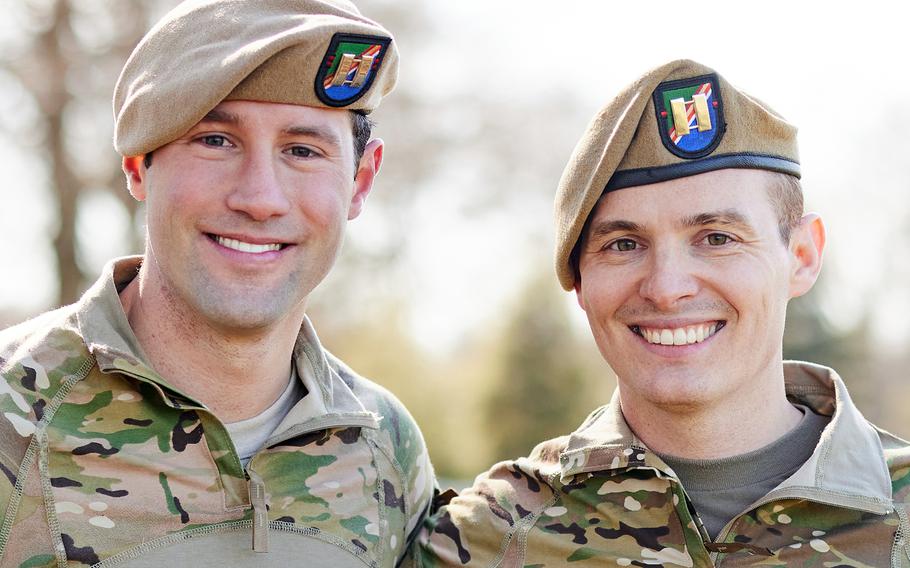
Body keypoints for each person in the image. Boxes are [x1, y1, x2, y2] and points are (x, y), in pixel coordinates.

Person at [415, 59, 910, 566]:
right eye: (624, 244)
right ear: (579, 281)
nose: (667, 288)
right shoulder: (490, 537)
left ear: (801, 257)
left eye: (718, 238)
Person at [0, 0, 434, 565]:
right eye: (215, 141)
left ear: (361, 180)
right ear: (137, 163)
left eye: (303, 151)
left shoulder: (385, 448)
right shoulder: (15, 415)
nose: (258, 198)